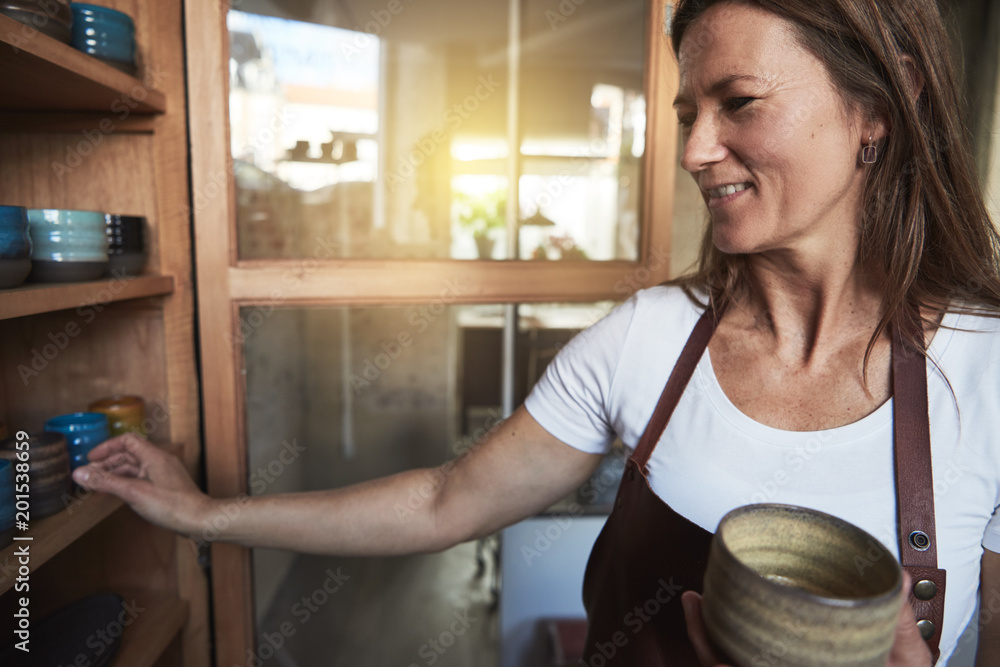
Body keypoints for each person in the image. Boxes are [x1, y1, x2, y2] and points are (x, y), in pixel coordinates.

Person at [72, 0, 1000, 664]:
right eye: (687, 114)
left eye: (739, 102)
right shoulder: (646, 340)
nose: (692, 150)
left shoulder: (987, 370)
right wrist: (204, 514)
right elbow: (444, 501)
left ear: (881, 104)